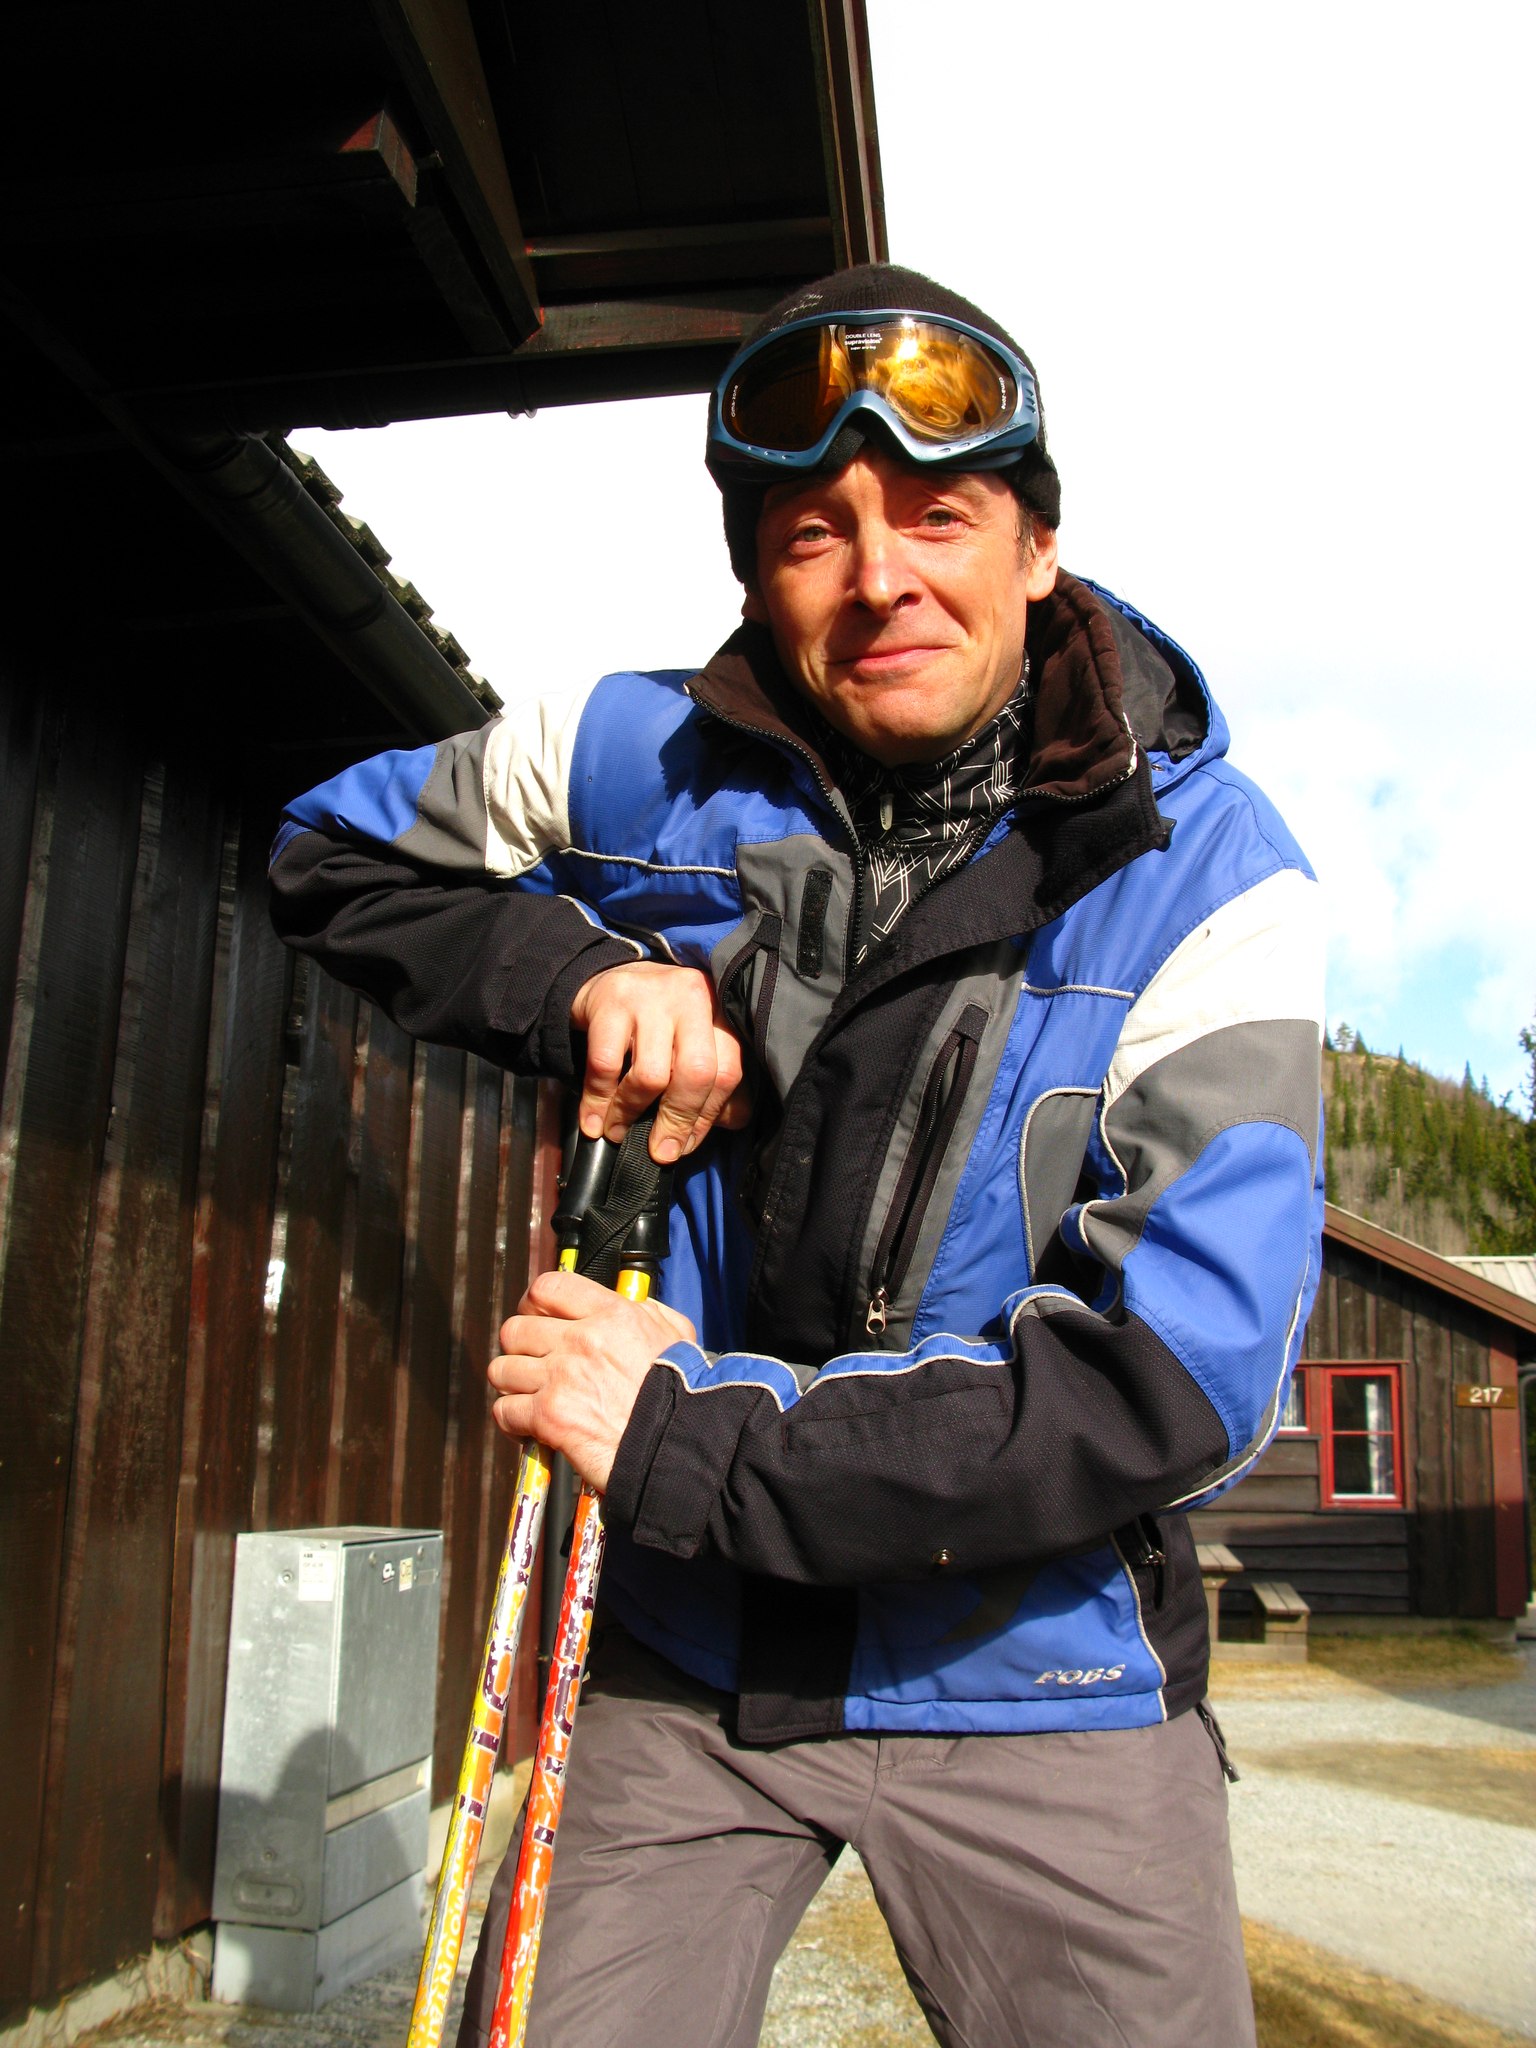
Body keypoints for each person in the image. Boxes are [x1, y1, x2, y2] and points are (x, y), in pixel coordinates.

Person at [270, 263, 1324, 2047]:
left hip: (1041, 1681)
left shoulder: (1212, 873)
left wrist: (681, 1438)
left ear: (1038, 549)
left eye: (938, 517)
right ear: (760, 576)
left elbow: (1174, 1387)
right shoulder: (630, 758)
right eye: (814, 532)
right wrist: (582, 974)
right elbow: (332, 854)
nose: (880, 574)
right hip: (691, 1656)